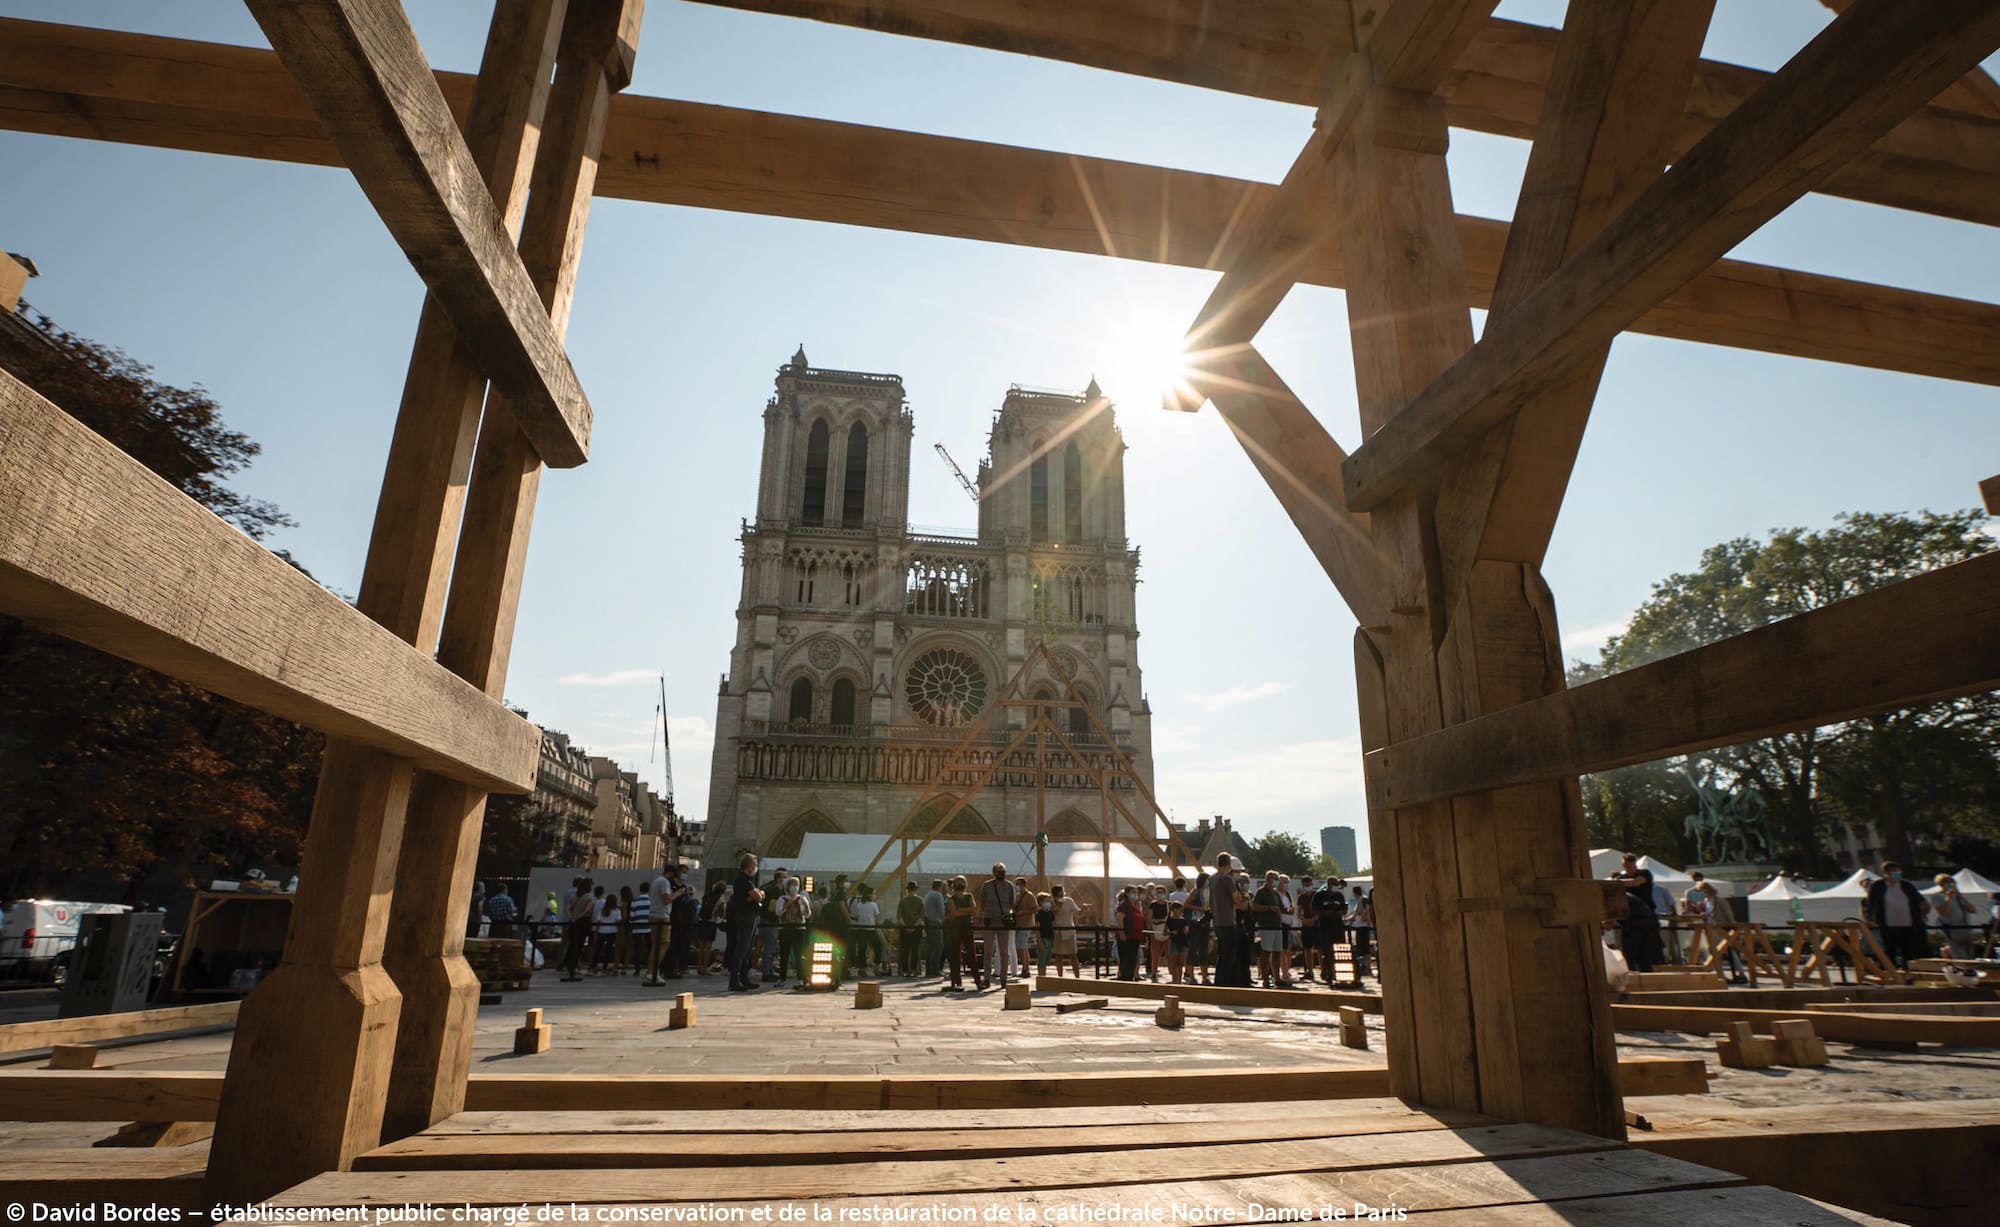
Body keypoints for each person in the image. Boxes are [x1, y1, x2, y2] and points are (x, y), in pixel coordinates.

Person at [1866, 861, 1929, 969]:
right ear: (1886, 873)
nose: (1897, 874)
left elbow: (1923, 902)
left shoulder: (1906, 885)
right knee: (1889, 951)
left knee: (1908, 952)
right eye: (1894, 872)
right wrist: (1870, 919)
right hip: (1888, 926)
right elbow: (1870, 904)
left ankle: (1909, 975)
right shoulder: (1877, 886)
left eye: (1898, 872)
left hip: (1908, 925)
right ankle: (1891, 974)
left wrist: (1921, 915)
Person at [1613, 854, 1662, 974]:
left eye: (1629, 865)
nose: (1627, 868)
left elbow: (1636, 883)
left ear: (1634, 864)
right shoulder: (1621, 877)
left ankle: (1649, 973)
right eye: (1625, 865)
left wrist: (1616, 883)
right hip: (1629, 918)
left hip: (1647, 916)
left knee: (1648, 950)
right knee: (1630, 950)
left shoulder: (1644, 873)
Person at [726, 852, 765, 991]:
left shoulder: (748, 881)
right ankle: (734, 980)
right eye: (755, 865)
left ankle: (744, 978)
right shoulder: (742, 880)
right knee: (742, 948)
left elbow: (756, 896)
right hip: (746, 915)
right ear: (749, 866)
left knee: (747, 949)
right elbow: (758, 897)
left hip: (751, 915)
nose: (756, 868)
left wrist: (756, 895)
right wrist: (757, 895)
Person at [977, 863, 1018, 986]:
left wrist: (1005, 914)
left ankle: (1004, 978)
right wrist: (983, 916)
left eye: (1003, 871)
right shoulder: (987, 886)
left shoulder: (1009, 886)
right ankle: (987, 978)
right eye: (1000, 871)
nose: (1002, 874)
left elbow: (1012, 903)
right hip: (989, 919)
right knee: (988, 951)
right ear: (994, 873)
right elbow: (982, 902)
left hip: (1003, 921)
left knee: (1004, 951)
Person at [944, 875, 983, 990]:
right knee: (955, 956)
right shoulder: (951, 899)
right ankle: (956, 981)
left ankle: (977, 981)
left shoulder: (969, 896)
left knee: (972, 956)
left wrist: (960, 910)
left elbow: (974, 910)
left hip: (967, 928)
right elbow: (953, 914)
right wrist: (967, 910)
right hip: (955, 929)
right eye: (958, 883)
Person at [1251, 870, 1289, 988]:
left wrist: (1287, 910)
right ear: (1268, 879)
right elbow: (1255, 906)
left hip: (1277, 926)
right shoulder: (1261, 892)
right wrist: (1269, 908)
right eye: (1274, 879)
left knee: (1277, 952)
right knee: (1266, 952)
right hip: (1266, 926)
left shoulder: (1276, 894)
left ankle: (1277, 977)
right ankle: (1265, 978)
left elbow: (1282, 908)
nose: (1276, 882)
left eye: (1277, 880)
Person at [1210, 855, 1243, 987]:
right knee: (1229, 956)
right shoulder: (1227, 879)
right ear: (1229, 864)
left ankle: (1219, 982)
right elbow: (1236, 899)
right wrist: (1240, 898)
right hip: (1228, 920)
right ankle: (1227, 984)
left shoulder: (1212, 879)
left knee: (1221, 954)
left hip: (1217, 920)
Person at [1933, 876, 1984, 958]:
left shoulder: (1958, 896)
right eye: (1946, 883)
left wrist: (1960, 896)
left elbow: (1973, 910)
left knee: (1970, 953)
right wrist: (1948, 898)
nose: (1950, 885)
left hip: (1965, 927)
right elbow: (1944, 913)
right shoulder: (1937, 896)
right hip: (1951, 929)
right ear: (1941, 885)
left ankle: (1967, 968)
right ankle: (1957, 966)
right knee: (1958, 954)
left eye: (1951, 883)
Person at [777, 875, 812, 984]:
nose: (795, 887)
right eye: (792, 885)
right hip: (785, 928)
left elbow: (807, 915)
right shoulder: (781, 899)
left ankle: (801, 978)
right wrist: (788, 904)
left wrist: (806, 907)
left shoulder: (802, 898)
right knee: (784, 954)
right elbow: (778, 912)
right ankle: (782, 978)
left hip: (799, 929)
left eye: (796, 885)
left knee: (799, 954)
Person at [560, 877, 595, 981]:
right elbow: (588, 909)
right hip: (583, 922)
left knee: (572, 944)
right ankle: (573, 965)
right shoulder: (589, 897)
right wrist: (579, 917)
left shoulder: (573, 896)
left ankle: (569, 964)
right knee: (579, 945)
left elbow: (568, 908)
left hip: (573, 923)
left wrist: (572, 917)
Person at [1185, 872, 1212, 985]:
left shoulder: (1208, 893)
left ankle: (1204, 976)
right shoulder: (1196, 892)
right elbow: (1186, 905)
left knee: (1203, 951)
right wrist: (1199, 908)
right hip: (1195, 923)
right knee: (1193, 950)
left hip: (1205, 924)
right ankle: (1191, 976)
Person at [1050, 884, 1081, 977]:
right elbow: (1052, 911)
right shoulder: (1051, 903)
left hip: (1069, 931)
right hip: (1058, 932)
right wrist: (1056, 903)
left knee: (1073, 955)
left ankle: (1077, 976)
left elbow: (1078, 913)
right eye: (1059, 895)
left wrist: (1083, 908)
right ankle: (1060, 976)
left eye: (1062, 894)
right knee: (1058, 955)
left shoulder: (1069, 901)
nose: (1061, 897)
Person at [850, 886, 881, 975]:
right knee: (878, 947)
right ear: (869, 895)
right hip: (871, 929)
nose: (875, 895)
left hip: (861, 929)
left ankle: (862, 968)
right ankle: (876, 968)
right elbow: (877, 918)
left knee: (862, 950)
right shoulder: (873, 905)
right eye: (874, 893)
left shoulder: (859, 905)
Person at [897, 882, 926, 976]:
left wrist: (906, 926)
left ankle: (905, 971)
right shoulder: (920, 900)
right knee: (915, 950)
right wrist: (914, 927)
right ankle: (914, 970)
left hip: (904, 928)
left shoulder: (903, 901)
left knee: (905, 950)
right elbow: (921, 917)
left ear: (907, 889)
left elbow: (899, 917)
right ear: (915, 889)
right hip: (917, 929)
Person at [1114, 888, 1143, 980]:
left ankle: (1129, 979)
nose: (1135, 894)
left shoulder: (1135, 905)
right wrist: (1122, 933)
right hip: (1127, 937)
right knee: (1126, 963)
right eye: (1133, 892)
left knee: (1132, 962)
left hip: (1135, 938)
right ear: (1127, 894)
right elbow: (1119, 919)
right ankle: (1125, 981)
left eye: (1136, 892)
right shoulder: (1124, 905)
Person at [695, 882, 725, 975]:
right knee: (707, 947)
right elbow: (721, 914)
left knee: (700, 947)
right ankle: (705, 967)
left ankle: (699, 966)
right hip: (711, 923)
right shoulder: (720, 899)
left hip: (701, 922)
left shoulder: (707, 895)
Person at [1013, 877, 1038, 979]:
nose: (1017, 886)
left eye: (1019, 884)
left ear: (1024, 884)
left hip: (1026, 923)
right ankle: (1025, 967)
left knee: (1021, 945)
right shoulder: (1017, 896)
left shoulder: (1029, 895)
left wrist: (1024, 912)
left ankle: (1025, 969)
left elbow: (1035, 908)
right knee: (1023, 946)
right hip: (1018, 923)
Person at [625, 882, 652, 978]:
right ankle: (650, 968)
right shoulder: (651, 901)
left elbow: (632, 916)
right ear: (649, 890)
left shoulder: (635, 901)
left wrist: (631, 927)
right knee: (650, 949)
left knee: (637, 949)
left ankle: (637, 969)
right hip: (648, 929)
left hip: (637, 929)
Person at [923, 879, 948, 977]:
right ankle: (935, 969)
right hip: (935, 922)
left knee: (930, 947)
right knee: (938, 946)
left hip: (928, 922)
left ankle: (929, 969)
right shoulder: (938, 895)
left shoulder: (928, 895)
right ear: (939, 887)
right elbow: (942, 911)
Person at [1165, 900, 1189, 984]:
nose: (1177, 912)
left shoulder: (1183, 920)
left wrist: (1180, 931)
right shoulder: (1169, 920)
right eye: (1175, 909)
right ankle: (1174, 980)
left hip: (1183, 942)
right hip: (1173, 942)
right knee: (1174, 963)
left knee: (1181, 963)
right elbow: (1165, 932)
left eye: (1178, 910)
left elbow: (1186, 931)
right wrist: (1171, 932)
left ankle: (1179, 980)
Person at [1035, 892, 1056, 974]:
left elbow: (1053, 926)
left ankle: (1044, 976)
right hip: (1043, 938)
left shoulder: (1051, 913)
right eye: (1047, 901)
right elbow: (1037, 928)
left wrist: (1054, 939)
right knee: (1041, 961)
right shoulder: (1039, 914)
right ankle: (1041, 977)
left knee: (1047, 960)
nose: (1049, 903)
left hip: (1050, 938)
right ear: (1041, 902)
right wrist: (1039, 942)